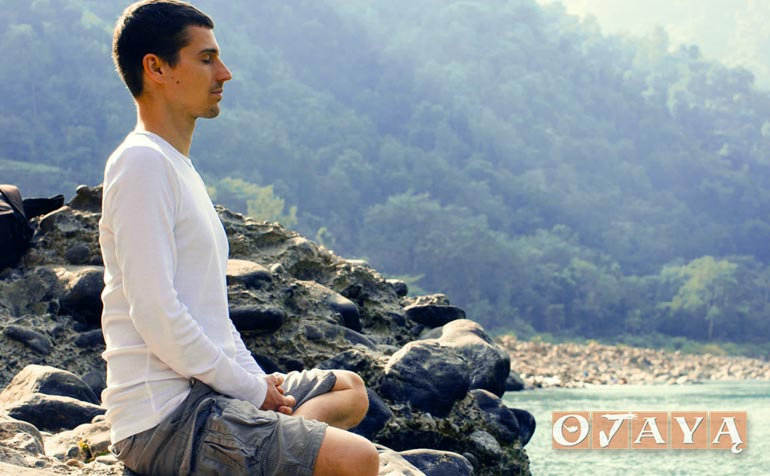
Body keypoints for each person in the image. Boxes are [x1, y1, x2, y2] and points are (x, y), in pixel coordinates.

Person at [99, 1, 379, 474]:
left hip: (208, 393)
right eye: (206, 58)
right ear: (157, 68)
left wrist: (254, 384)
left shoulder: (175, 166)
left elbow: (210, 313)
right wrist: (250, 392)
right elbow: (156, 313)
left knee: (349, 389)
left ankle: (279, 447)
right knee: (358, 460)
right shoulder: (141, 163)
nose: (224, 73)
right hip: (166, 419)